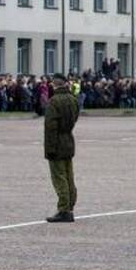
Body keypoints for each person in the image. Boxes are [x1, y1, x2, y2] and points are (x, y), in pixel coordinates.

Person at [44, 74, 80, 223]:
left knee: (59, 177)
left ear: (54, 85)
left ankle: (64, 208)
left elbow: (50, 127)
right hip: (68, 139)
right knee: (69, 176)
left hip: (57, 143)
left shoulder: (54, 102)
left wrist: (49, 149)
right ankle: (70, 206)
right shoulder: (73, 100)